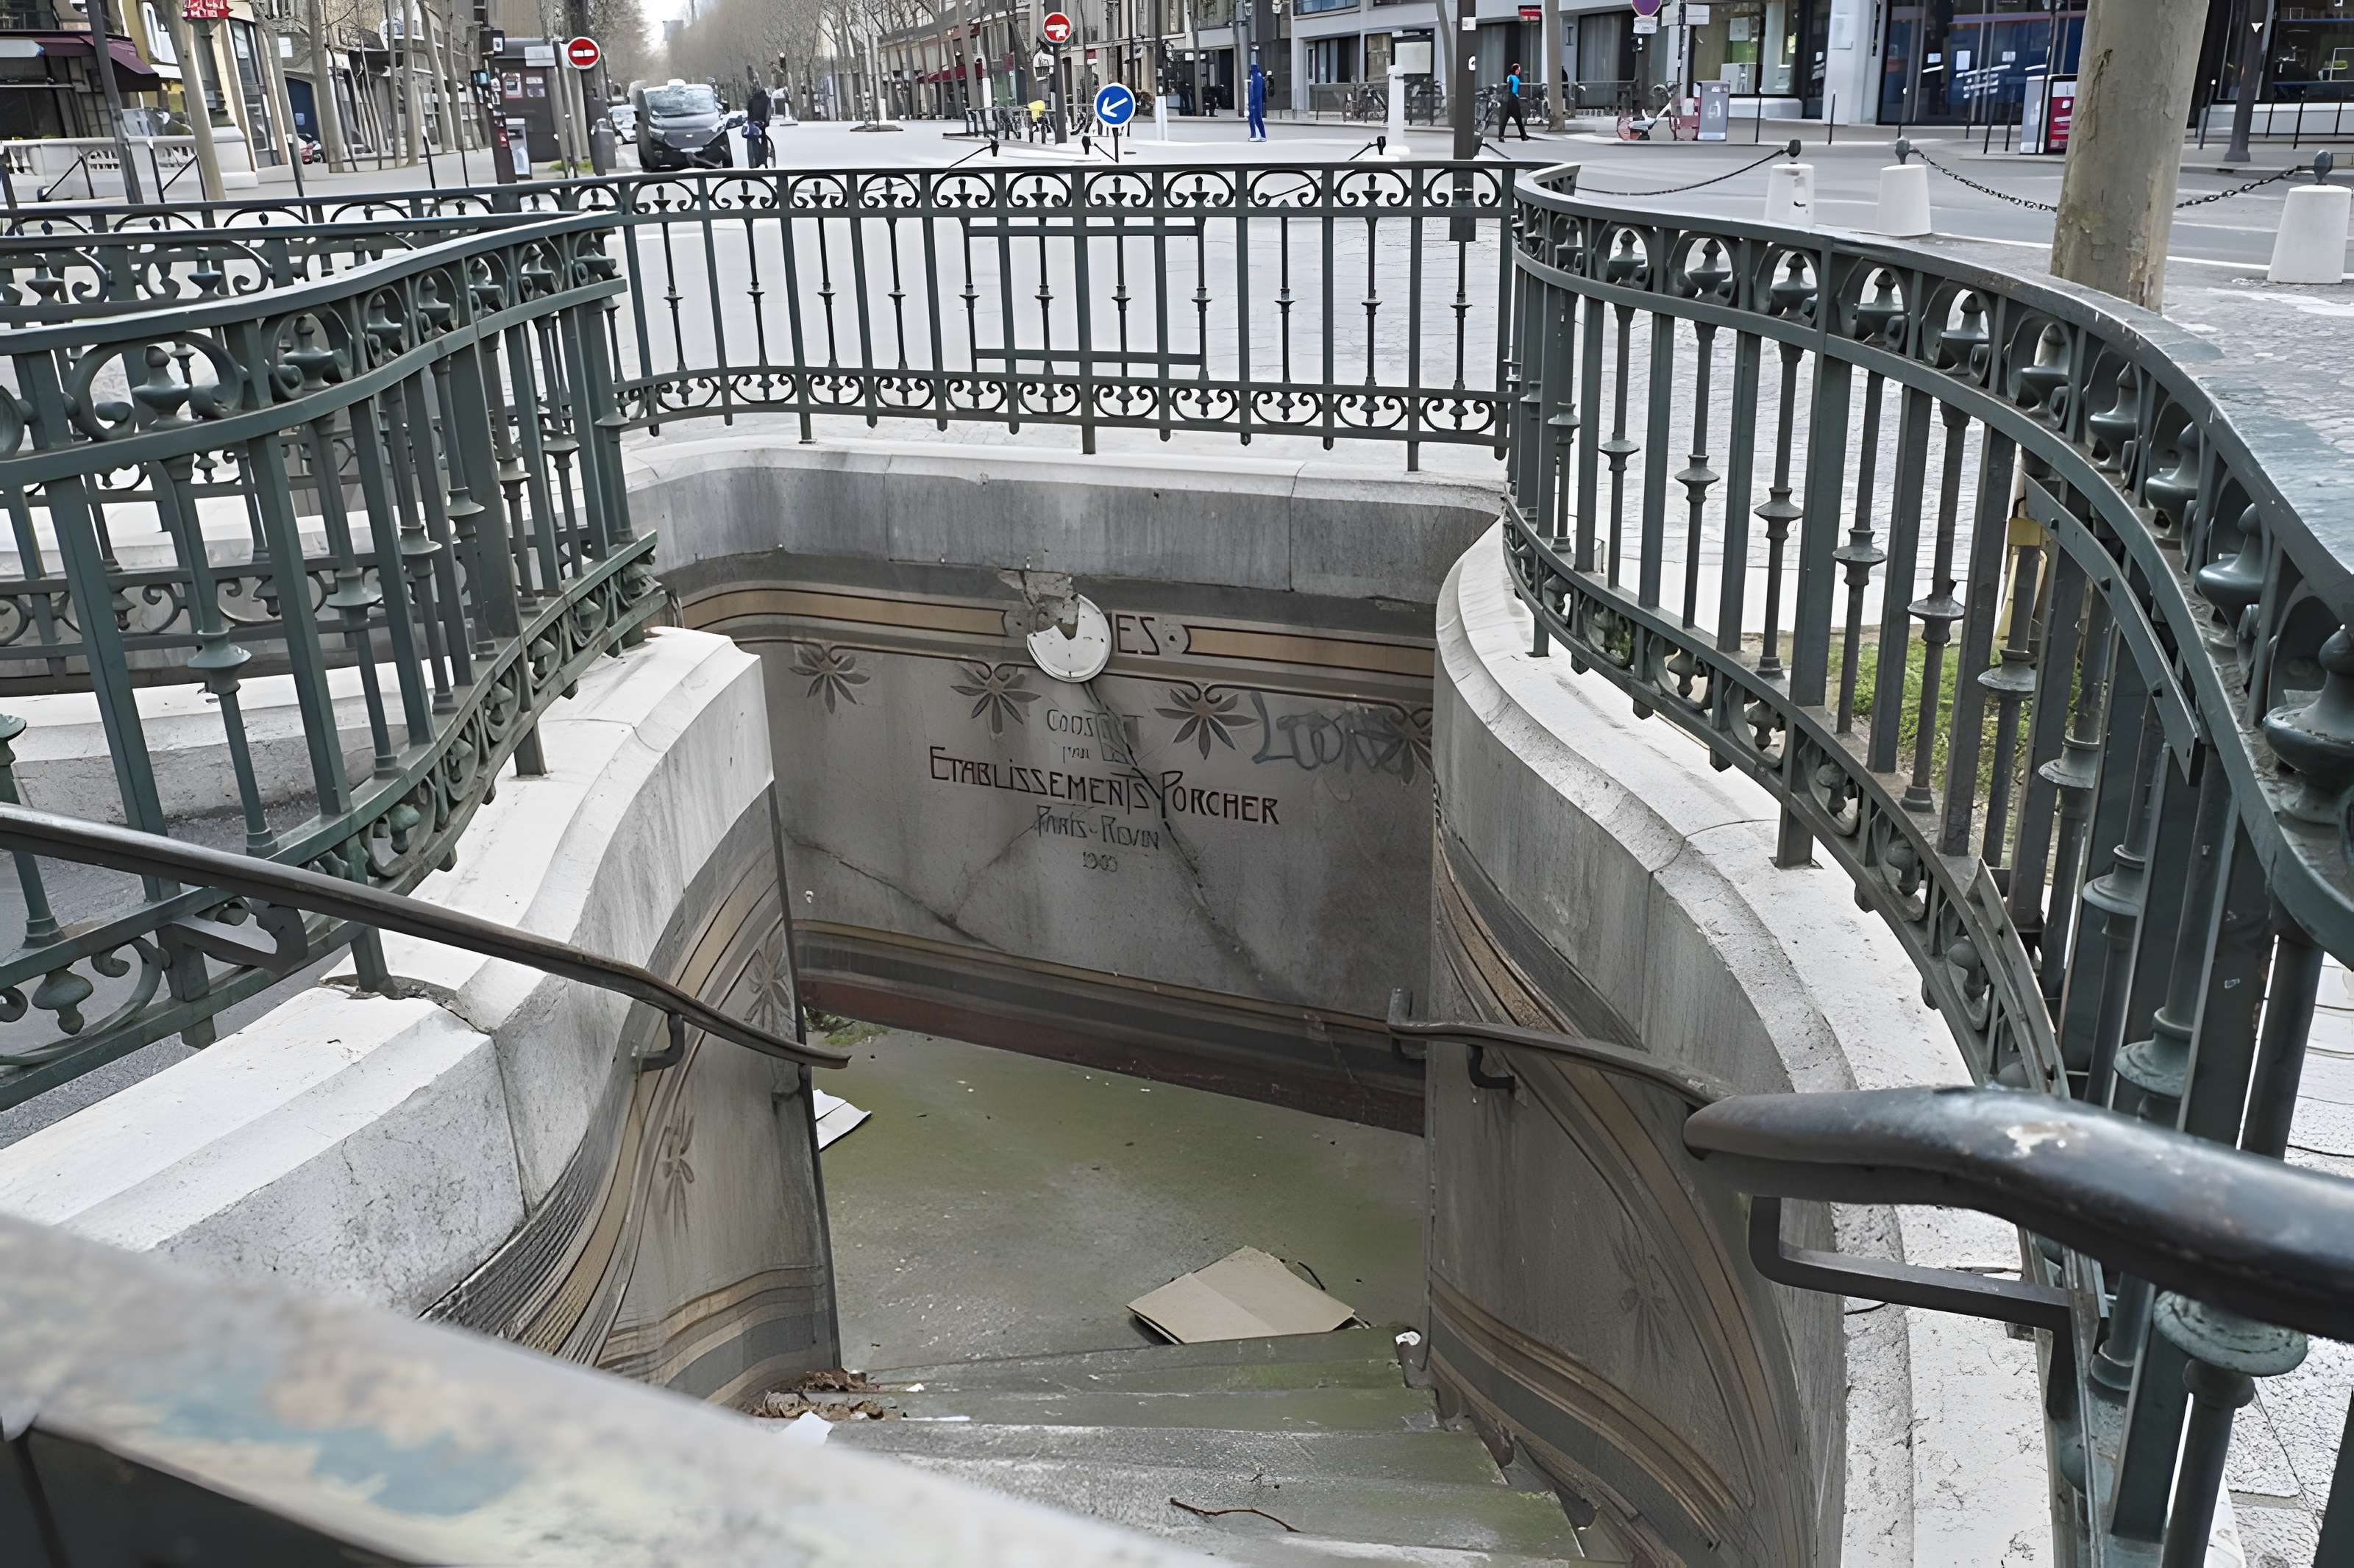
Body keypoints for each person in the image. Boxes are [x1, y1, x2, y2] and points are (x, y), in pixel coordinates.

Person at [1502, 62, 1530, 140]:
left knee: (1505, 119)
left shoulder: (1511, 77)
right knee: (1518, 119)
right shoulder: (1514, 78)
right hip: (1513, 98)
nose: (1519, 71)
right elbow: (1512, 88)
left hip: (1510, 99)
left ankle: (1501, 136)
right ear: (1515, 70)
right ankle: (1523, 136)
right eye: (1518, 70)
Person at [1245, 60, 1266, 140]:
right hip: (1255, 101)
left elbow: (1256, 92)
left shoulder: (1256, 77)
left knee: (1256, 119)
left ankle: (1260, 136)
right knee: (1254, 118)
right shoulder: (1257, 77)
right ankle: (1256, 135)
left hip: (1255, 102)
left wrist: (1253, 102)